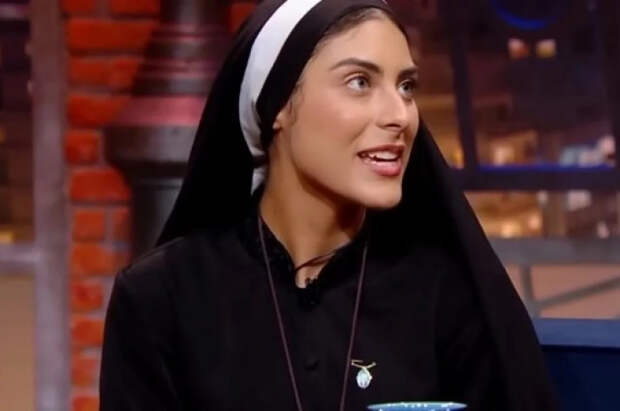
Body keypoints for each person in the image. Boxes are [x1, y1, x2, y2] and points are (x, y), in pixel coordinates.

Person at [99, 1, 558, 410]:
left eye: (406, 86)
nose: (399, 115)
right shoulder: (161, 298)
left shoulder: (448, 295)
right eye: (360, 82)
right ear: (277, 105)